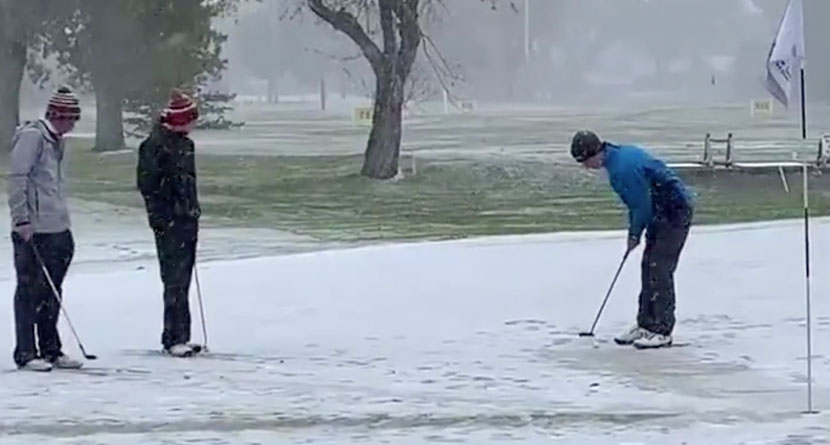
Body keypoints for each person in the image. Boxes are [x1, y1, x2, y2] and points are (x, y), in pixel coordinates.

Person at [570, 130, 693, 349]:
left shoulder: (621, 169)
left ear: (594, 154)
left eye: (585, 161)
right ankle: (646, 324)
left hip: (675, 209)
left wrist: (634, 235)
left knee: (660, 268)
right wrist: (634, 232)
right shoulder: (616, 157)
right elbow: (637, 204)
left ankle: (662, 331)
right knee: (649, 266)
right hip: (660, 209)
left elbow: (641, 206)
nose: (585, 167)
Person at [7, 86, 83, 371]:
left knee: (52, 291)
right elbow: (17, 179)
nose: (73, 124)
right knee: (29, 290)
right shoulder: (32, 137)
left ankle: (51, 349)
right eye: (71, 118)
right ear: (59, 116)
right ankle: (26, 352)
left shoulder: (56, 141)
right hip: (34, 229)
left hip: (57, 227)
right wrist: (22, 220)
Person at [136, 88, 202, 357]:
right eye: (191, 119)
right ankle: (172, 337)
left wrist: (193, 209)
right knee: (173, 280)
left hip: (188, 220)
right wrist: (163, 217)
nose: (194, 124)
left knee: (184, 279)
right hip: (168, 223)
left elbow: (190, 182)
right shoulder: (154, 146)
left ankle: (183, 334)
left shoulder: (187, 145)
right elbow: (148, 186)